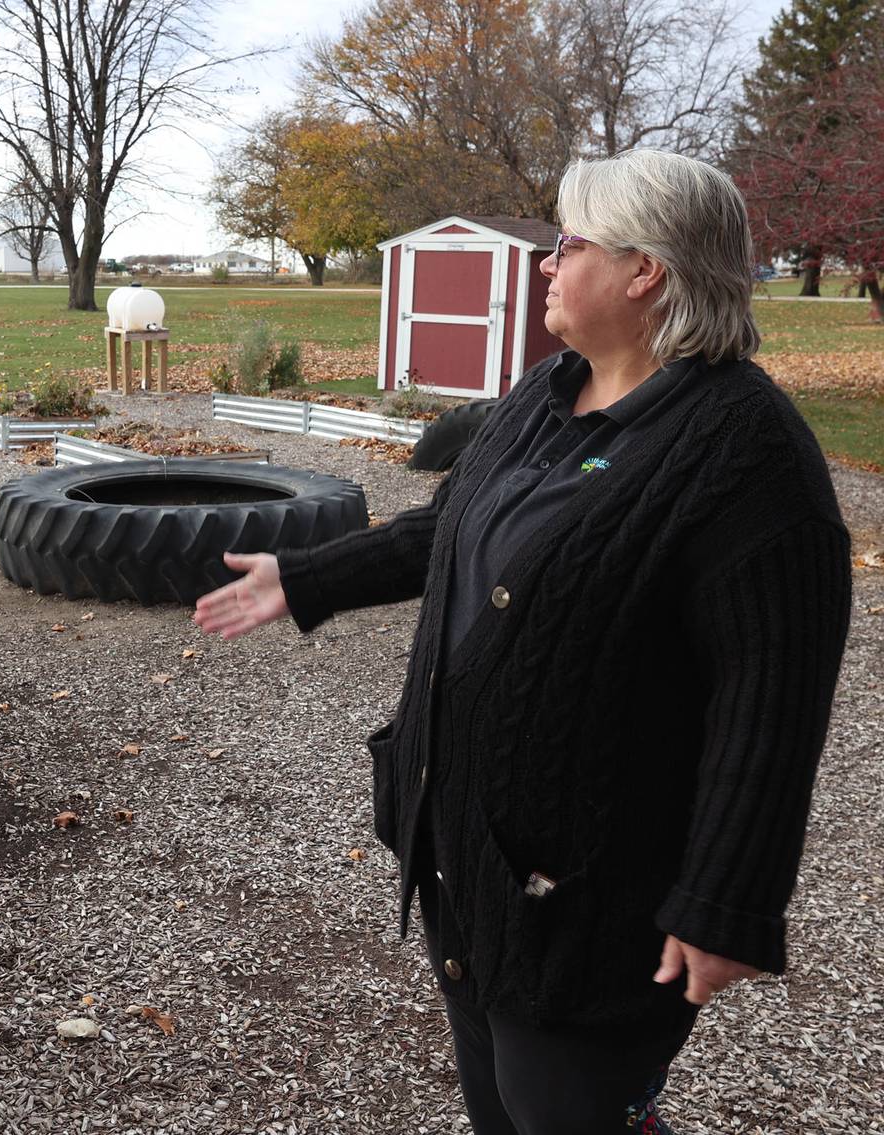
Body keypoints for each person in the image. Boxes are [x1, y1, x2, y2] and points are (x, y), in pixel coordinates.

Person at [194, 151, 852, 1133]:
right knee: (503, 1102)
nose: (547, 263)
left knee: (568, 1109)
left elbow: (774, 694)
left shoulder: (750, 458)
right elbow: (449, 527)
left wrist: (728, 897)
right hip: (470, 863)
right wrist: (306, 577)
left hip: (593, 903)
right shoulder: (550, 390)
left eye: (568, 244)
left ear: (648, 272)